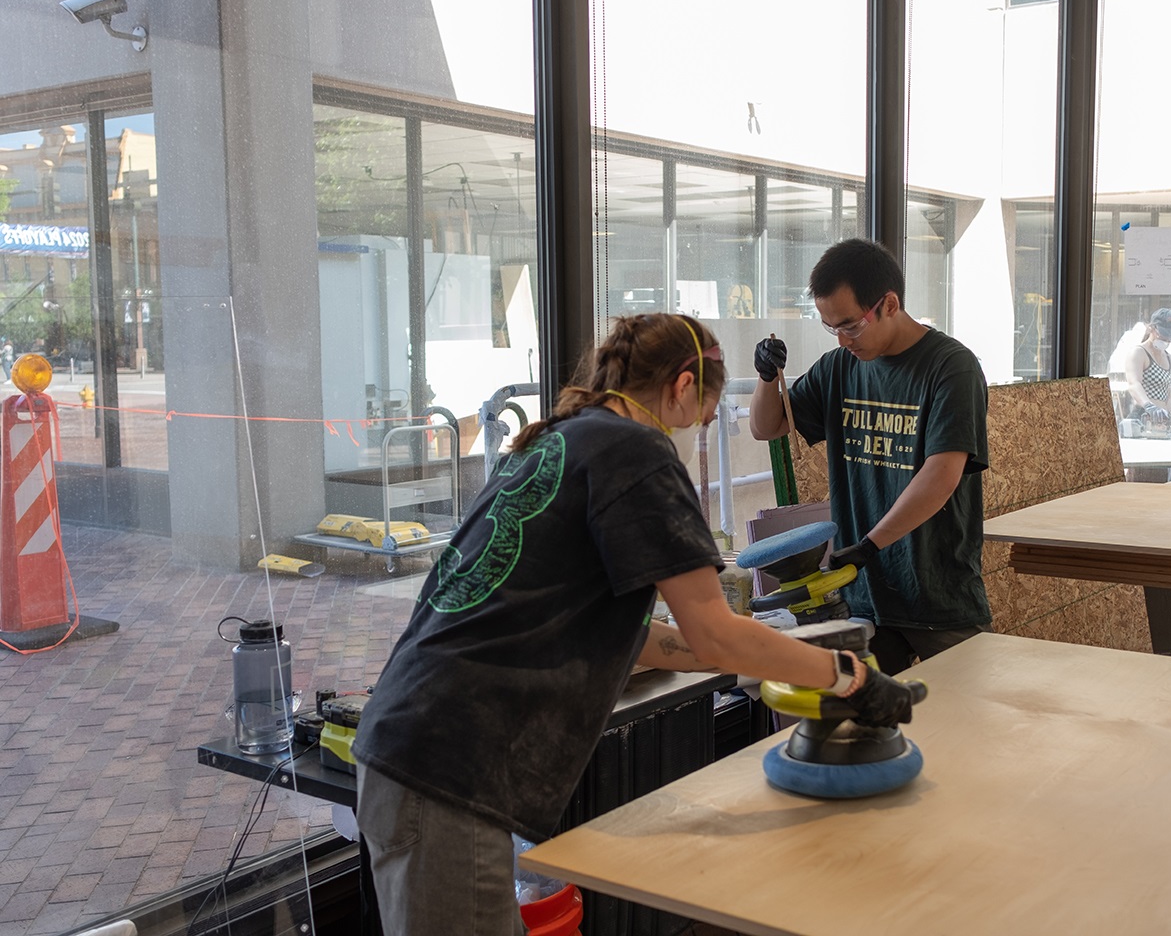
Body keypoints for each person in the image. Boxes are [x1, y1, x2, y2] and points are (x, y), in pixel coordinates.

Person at [351, 312, 920, 936]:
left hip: (413, 746)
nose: (703, 428)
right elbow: (716, 630)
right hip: (447, 768)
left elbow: (642, 635)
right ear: (682, 386)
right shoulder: (636, 452)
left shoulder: (560, 440)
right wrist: (848, 678)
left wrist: (764, 655)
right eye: (706, 411)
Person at [749, 238, 990, 676]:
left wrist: (868, 545)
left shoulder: (951, 367)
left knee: (965, 712)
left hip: (937, 592)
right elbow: (767, 428)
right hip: (864, 596)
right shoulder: (838, 367)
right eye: (831, 328)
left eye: (851, 326)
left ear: (889, 304)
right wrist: (767, 377)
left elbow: (941, 475)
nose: (843, 340)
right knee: (870, 715)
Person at [1122, 307, 1171, 433]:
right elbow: (1134, 384)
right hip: (1143, 416)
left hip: (1162, 422)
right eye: (1164, 335)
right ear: (1151, 328)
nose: (1167, 340)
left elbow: (1168, 399)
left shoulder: (1168, 356)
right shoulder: (1138, 352)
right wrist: (1148, 406)